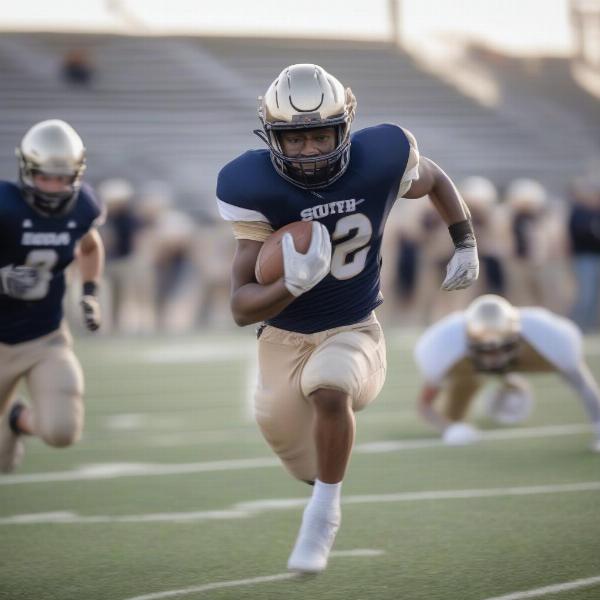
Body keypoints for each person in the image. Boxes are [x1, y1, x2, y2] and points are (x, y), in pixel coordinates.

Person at [216, 64, 479, 573]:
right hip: (282, 338)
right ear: (273, 138)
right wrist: (288, 284)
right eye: (295, 140)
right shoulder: (248, 183)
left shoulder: (381, 155)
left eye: (321, 135)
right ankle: (320, 484)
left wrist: (464, 240)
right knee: (297, 454)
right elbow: (239, 306)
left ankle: (323, 517)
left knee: (330, 388)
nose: (310, 150)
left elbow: (434, 178)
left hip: (355, 327)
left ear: (346, 126)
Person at [0, 119, 104, 473]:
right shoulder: (5, 206)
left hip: (44, 337)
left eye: (62, 178)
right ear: (26, 170)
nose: (53, 187)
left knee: (61, 430)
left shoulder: (81, 208)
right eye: (45, 177)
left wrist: (89, 293)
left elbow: (90, 248)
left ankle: (15, 418)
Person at [414, 294, 600, 450]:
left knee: (569, 369)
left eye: (503, 348)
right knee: (453, 415)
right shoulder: (443, 346)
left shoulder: (549, 337)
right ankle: (505, 385)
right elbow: (425, 406)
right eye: (487, 351)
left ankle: (511, 385)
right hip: (470, 364)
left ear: (517, 337)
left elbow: (583, 384)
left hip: (523, 357)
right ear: (468, 341)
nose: (495, 358)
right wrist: (448, 428)